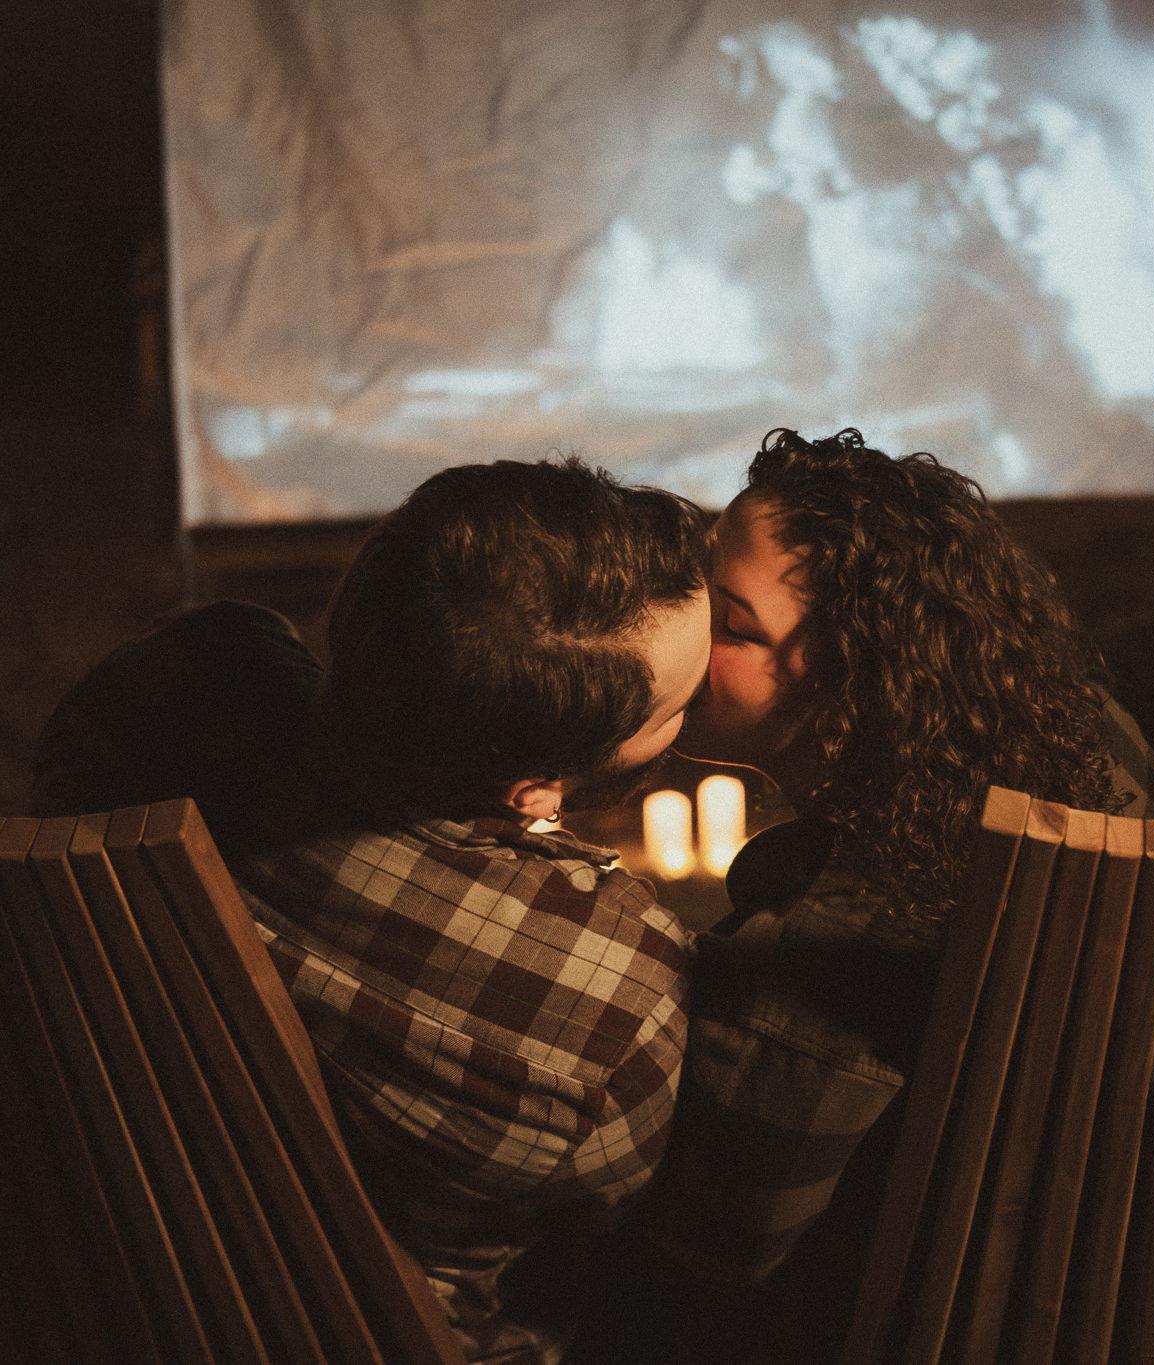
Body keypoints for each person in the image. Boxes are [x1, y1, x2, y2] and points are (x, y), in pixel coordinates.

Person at [31, 456, 713, 1365]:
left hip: (87, 1272)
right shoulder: (617, 995)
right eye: (681, 705)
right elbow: (598, 1235)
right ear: (532, 790)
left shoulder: (184, 679)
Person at [572, 428, 1154, 1363]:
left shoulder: (831, 939)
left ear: (857, 684)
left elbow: (712, 1256)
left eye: (732, 624)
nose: (684, 628)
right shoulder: (1082, 736)